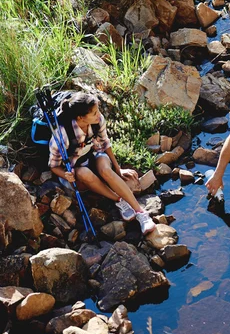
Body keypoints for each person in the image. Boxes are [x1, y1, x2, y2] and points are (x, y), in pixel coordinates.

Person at [49, 92, 156, 234]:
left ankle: (141, 212)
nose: (98, 115)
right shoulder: (61, 135)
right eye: (94, 113)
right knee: (85, 173)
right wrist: (65, 174)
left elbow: (105, 144)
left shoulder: (98, 121)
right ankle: (119, 200)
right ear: (81, 117)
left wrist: (118, 170)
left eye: (97, 110)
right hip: (77, 170)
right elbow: (53, 166)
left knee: (106, 170)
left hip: (94, 156)